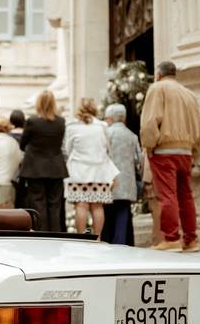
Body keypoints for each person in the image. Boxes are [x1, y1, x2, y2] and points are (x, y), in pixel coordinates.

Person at [140, 60, 200, 252]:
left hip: (164, 149)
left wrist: (149, 146)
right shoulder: (189, 93)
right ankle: (191, 240)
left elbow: (150, 121)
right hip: (186, 150)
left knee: (167, 195)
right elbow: (197, 125)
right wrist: (194, 148)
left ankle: (171, 238)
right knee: (186, 196)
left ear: (158, 74)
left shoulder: (157, 88)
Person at [63, 99, 120, 237]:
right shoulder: (102, 126)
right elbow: (107, 148)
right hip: (99, 171)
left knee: (81, 205)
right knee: (97, 206)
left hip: (78, 171)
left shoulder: (72, 127)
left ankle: (81, 236)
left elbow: (68, 149)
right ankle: (97, 237)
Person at [20, 91, 69, 232]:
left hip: (35, 169)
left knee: (38, 203)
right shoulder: (61, 122)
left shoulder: (32, 121)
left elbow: (23, 144)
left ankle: (42, 234)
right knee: (55, 205)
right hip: (56, 168)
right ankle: (55, 234)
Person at [103, 103, 143, 245]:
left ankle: (110, 242)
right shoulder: (132, 135)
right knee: (123, 211)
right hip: (127, 182)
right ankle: (122, 242)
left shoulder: (107, 133)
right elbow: (138, 160)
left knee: (108, 214)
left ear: (111, 118)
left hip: (109, 181)